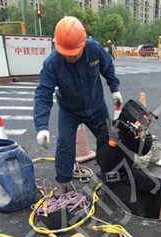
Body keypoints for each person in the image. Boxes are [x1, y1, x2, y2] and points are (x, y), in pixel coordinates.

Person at [33, 16, 122, 197]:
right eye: (66, 53)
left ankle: (112, 176)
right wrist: (41, 127)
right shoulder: (52, 63)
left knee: (110, 141)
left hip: (96, 107)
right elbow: (43, 93)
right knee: (65, 144)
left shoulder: (94, 48)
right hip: (69, 110)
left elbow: (108, 66)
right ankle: (63, 183)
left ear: (82, 43)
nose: (70, 57)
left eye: (74, 53)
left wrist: (115, 89)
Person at [96, 100, 161, 218]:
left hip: (128, 173)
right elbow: (103, 163)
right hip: (114, 181)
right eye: (140, 122)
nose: (142, 126)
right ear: (130, 118)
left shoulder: (130, 131)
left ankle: (160, 219)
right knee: (139, 214)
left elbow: (140, 151)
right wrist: (111, 145)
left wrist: (146, 143)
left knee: (160, 186)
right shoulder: (109, 132)